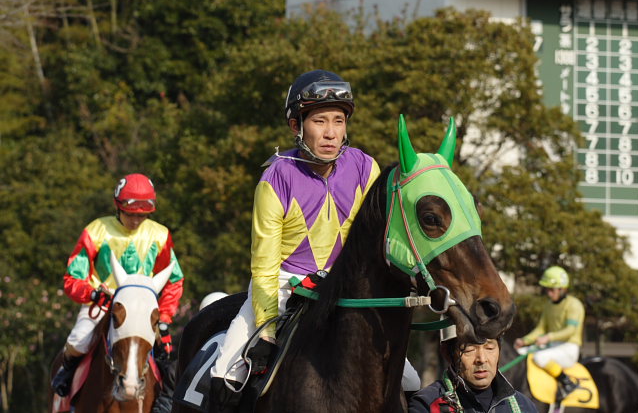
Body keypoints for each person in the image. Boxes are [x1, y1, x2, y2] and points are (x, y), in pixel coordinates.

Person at [208, 69, 420, 411]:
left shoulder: (366, 168)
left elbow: (379, 245)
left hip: (344, 288)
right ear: (296, 126)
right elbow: (264, 265)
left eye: (339, 121)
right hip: (282, 286)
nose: (331, 133)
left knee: (412, 383)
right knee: (225, 375)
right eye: (320, 121)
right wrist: (264, 329)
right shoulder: (275, 177)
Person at [51, 173, 184, 411]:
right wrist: (92, 294)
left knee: (166, 355)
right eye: (131, 214)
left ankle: (166, 401)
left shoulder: (160, 234)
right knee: (78, 341)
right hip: (103, 304)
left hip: (144, 310)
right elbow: (73, 278)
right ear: (117, 207)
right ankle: (64, 379)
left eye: (142, 216)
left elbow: (175, 280)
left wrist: (164, 317)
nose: (135, 221)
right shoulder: (96, 230)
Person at [409, 324, 538, 412]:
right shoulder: (426, 405)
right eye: (469, 349)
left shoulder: (524, 406)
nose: (481, 359)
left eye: (489, 348)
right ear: (447, 353)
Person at [513, 265, 584, 401]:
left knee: (540, 358)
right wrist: (525, 340)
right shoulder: (549, 305)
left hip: (569, 348)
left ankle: (568, 383)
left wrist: (548, 338)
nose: (549, 293)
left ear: (563, 289)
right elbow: (541, 329)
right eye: (547, 289)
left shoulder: (574, 305)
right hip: (552, 346)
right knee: (521, 354)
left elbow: (570, 331)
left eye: (552, 290)